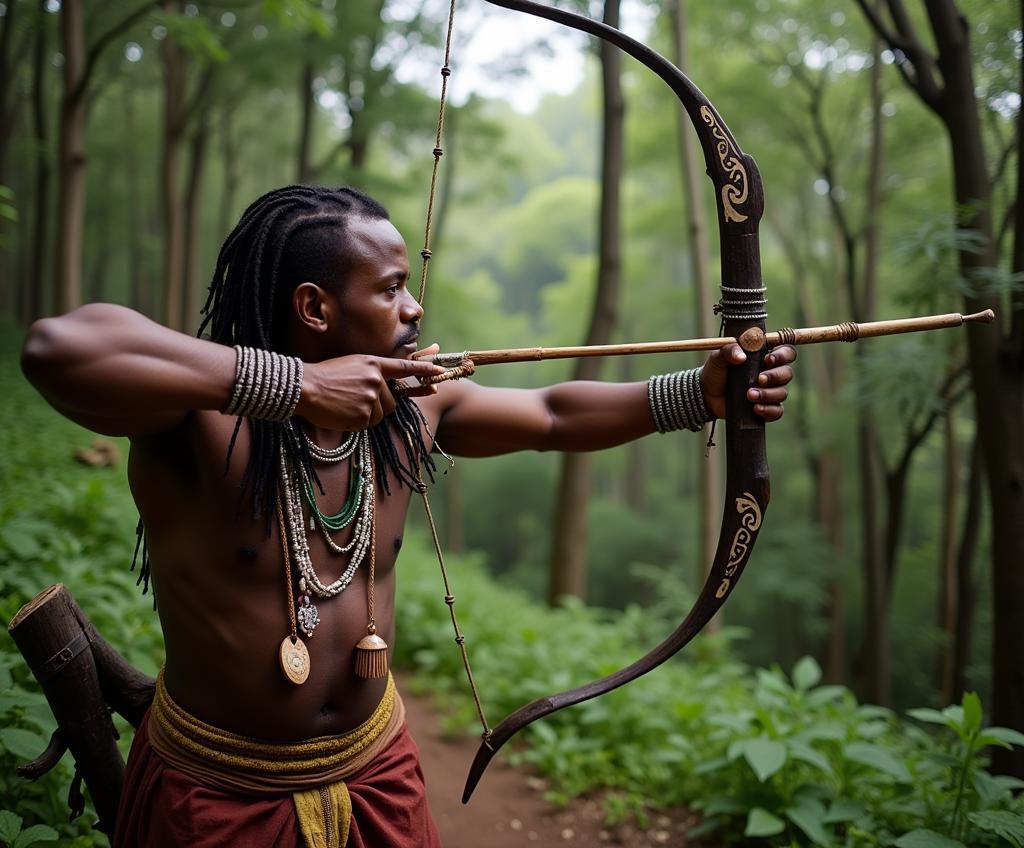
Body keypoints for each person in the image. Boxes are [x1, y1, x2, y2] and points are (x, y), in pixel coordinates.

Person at [20, 185, 796, 848]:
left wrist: (700, 396)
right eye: (390, 287)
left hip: (377, 773)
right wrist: (293, 387)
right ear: (315, 308)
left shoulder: (409, 409)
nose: (414, 304)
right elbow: (58, 348)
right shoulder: (196, 416)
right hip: (220, 792)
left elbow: (555, 413)